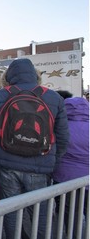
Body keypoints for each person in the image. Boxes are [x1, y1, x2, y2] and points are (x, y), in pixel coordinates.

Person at [0, 58, 69, 239]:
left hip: (7, 164)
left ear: (9, 76)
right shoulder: (53, 97)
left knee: (11, 211)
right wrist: (53, 161)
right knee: (40, 212)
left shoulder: (1, 95)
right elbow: (62, 137)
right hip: (40, 163)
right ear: (35, 74)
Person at [53, 97, 89, 238]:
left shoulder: (60, 128)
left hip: (64, 178)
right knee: (85, 210)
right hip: (87, 179)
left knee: (69, 213)